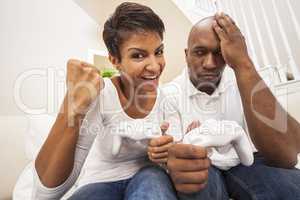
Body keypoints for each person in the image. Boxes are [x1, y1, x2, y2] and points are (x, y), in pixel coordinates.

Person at [33, 2, 177, 200]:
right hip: (100, 182)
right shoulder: (101, 95)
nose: (154, 66)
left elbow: (177, 165)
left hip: (149, 176)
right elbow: (45, 195)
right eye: (138, 55)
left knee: (152, 183)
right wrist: (73, 106)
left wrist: (167, 156)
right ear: (115, 60)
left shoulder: (168, 99)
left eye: (158, 52)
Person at [149, 13, 300, 199]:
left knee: (291, 187)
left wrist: (243, 63)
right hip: (203, 164)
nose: (210, 64)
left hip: (249, 162)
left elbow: (287, 157)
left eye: (219, 53)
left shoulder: (249, 79)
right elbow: (175, 159)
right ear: (187, 55)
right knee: (196, 187)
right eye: (199, 52)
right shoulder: (168, 94)